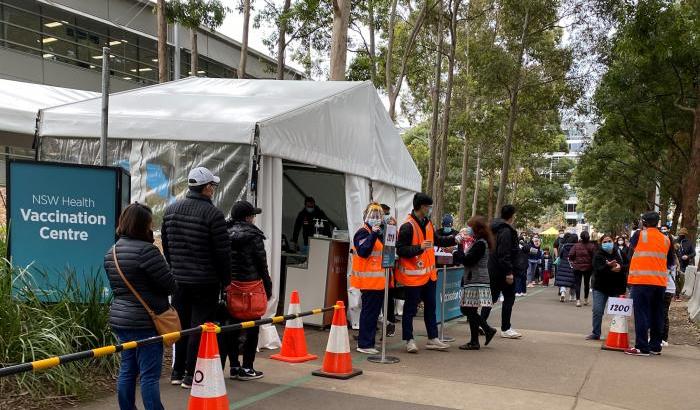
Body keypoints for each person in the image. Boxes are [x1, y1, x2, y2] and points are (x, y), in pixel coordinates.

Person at [162, 166, 231, 388]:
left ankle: (176, 371)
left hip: (179, 279)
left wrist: (174, 269)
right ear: (207, 188)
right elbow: (222, 253)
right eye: (213, 185)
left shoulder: (171, 210)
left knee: (181, 326)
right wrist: (226, 280)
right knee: (199, 327)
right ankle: (191, 374)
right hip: (206, 281)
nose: (214, 189)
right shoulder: (214, 214)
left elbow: (167, 246)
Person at [105, 203, 176, 410]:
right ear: (142, 225)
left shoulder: (112, 252)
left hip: (121, 320)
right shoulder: (148, 252)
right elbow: (170, 285)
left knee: (127, 369)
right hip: (146, 321)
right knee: (149, 375)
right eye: (149, 222)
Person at [396, 193, 457, 353]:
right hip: (413, 277)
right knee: (410, 309)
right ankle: (409, 340)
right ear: (422, 207)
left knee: (431, 307)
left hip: (430, 275)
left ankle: (433, 338)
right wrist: (419, 248)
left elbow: (436, 240)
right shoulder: (407, 226)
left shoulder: (427, 222)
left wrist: (454, 239)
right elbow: (401, 249)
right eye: (429, 207)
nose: (430, 209)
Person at [219, 201, 272, 380]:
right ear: (248, 217)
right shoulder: (253, 236)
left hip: (230, 287)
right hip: (252, 287)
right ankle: (248, 367)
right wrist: (268, 286)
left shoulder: (223, 233)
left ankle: (234, 366)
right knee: (252, 328)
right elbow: (261, 264)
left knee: (231, 327)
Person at [625, 212, 675, 356]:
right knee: (657, 314)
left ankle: (641, 347)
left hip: (641, 281)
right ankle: (655, 346)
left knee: (641, 313)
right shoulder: (666, 239)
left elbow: (631, 253)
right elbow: (671, 262)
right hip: (660, 282)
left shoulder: (639, 235)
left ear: (644, 222)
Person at [351, 202, 396, 354]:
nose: (377, 219)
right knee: (369, 313)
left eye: (379, 216)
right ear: (366, 217)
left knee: (373, 314)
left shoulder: (378, 233)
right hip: (369, 282)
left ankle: (369, 342)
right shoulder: (362, 233)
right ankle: (364, 344)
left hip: (379, 281)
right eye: (374, 216)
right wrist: (373, 234)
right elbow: (363, 251)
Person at [453, 216, 498, 350]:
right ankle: (476, 339)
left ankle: (485, 331)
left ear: (477, 229)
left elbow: (467, 260)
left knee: (467, 309)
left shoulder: (480, 244)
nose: (468, 230)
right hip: (476, 279)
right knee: (470, 309)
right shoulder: (481, 242)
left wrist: (457, 249)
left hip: (476, 280)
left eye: (471, 227)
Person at [480, 205, 522, 339]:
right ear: (512, 216)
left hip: (492, 268)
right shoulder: (506, 231)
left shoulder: (492, 228)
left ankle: (481, 323)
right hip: (503, 271)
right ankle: (506, 327)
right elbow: (504, 253)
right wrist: (509, 272)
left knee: (491, 298)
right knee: (509, 298)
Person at [586, 235, 627, 341]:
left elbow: (628, 264)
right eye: (604, 242)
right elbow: (597, 269)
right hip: (600, 287)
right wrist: (608, 267)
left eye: (609, 241)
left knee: (618, 313)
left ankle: (617, 334)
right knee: (597, 310)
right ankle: (596, 333)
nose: (607, 243)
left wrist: (620, 267)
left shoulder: (619, 252)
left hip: (617, 288)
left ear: (613, 241)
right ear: (601, 243)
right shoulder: (598, 254)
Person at [569, 231, 597, 307]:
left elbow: (571, 255)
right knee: (586, 284)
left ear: (581, 237)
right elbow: (594, 257)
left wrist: (575, 260)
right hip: (588, 268)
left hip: (577, 267)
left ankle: (578, 301)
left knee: (577, 284)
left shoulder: (576, 245)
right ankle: (586, 299)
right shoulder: (592, 246)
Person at [554, 233, 578, 303]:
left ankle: (563, 293)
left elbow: (560, 255)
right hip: (572, 265)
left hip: (563, 265)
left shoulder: (564, 246)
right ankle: (572, 296)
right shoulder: (576, 247)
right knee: (573, 281)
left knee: (563, 280)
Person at [675, 227, 696, 301]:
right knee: (675, 278)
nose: (681, 235)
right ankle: (676, 295)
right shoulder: (675, 242)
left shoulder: (689, 243)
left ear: (685, 235)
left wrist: (687, 256)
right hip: (675, 263)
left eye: (683, 234)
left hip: (684, 264)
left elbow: (694, 253)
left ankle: (678, 292)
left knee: (681, 279)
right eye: (680, 234)